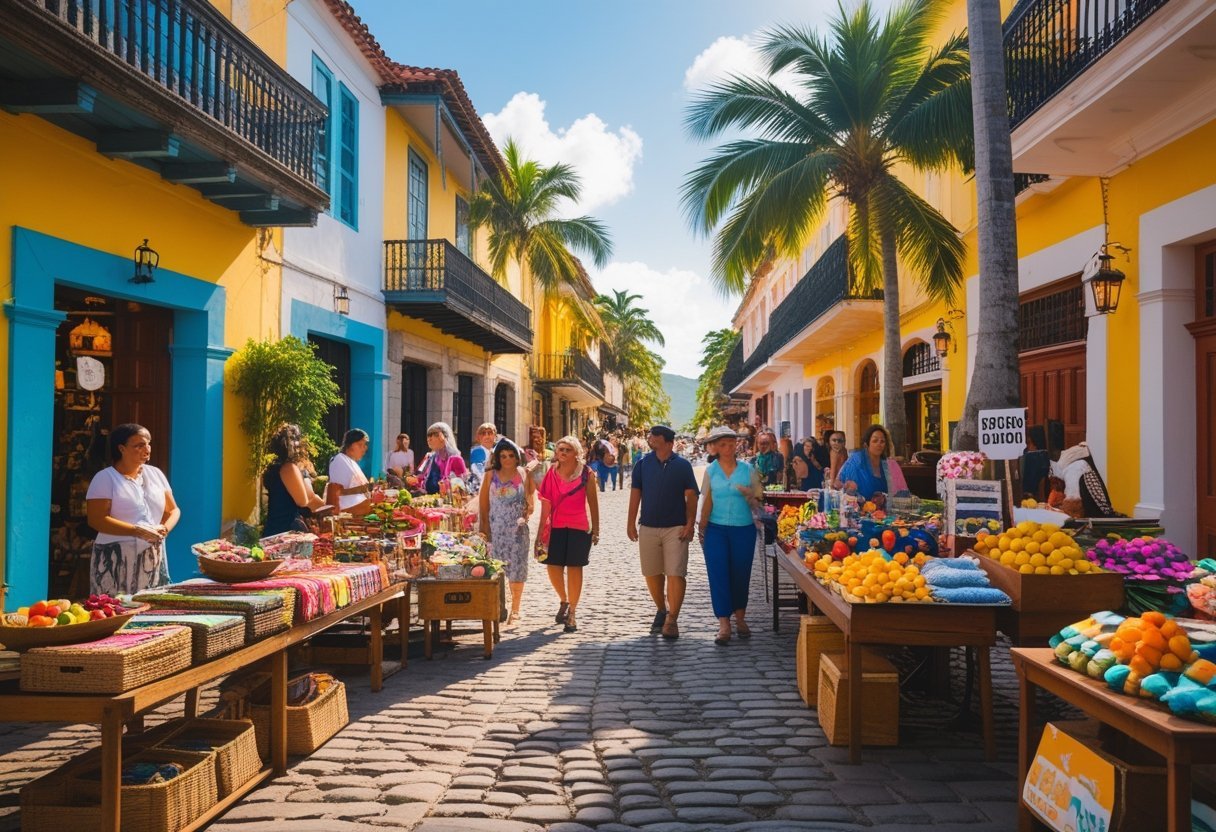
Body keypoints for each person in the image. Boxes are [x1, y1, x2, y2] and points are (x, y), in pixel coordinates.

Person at [85, 423, 180, 595]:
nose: (147, 449)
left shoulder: (156, 474)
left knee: (150, 608)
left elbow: (173, 510)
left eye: (148, 443)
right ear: (121, 448)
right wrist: (137, 531)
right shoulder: (105, 478)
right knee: (115, 608)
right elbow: (96, 520)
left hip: (152, 555)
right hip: (115, 557)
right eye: (139, 445)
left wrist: (164, 528)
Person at [626, 424, 699, 640]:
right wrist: (631, 522)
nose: (650, 438)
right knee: (651, 572)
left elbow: (691, 496)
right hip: (648, 525)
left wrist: (689, 523)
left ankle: (672, 620)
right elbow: (635, 494)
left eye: (655, 435)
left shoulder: (683, 466)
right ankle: (661, 608)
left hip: (676, 527)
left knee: (676, 572)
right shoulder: (642, 464)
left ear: (668, 442)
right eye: (650, 435)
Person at [697, 425, 763, 645]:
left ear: (737, 445)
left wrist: (749, 495)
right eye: (722, 444)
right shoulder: (711, 471)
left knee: (740, 573)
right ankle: (724, 623)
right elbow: (706, 500)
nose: (727, 448)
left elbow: (760, 502)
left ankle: (741, 618)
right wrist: (701, 527)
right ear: (715, 448)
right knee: (718, 573)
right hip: (716, 529)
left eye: (731, 443)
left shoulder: (748, 470)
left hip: (743, 529)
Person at [536, 436, 599, 634]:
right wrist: (540, 533)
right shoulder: (551, 474)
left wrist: (596, 528)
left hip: (579, 526)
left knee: (574, 568)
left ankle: (572, 611)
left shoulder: (587, 474)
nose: (562, 453)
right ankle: (563, 598)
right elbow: (546, 504)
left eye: (567, 450)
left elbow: (593, 502)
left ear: (576, 453)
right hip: (556, 526)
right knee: (553, 566)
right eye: (560, 449)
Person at [479, 437, 533, 625]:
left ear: (517, 457)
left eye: (511, 455)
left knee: (517, 568)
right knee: (496, 569)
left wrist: (526, 513)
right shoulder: (490, 474)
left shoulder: (524, 474)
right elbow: (484, 503)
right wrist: (484, 528)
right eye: (503, 456)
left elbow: (530, 501)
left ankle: (516, 608)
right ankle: (499, 606)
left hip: (517, 530)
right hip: (496, 529)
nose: (507, 459)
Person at [262, 423, 331, 536]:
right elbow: (304, 500)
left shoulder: (277, 467)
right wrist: (328, 510)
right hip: (284, 531)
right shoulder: (289, 468)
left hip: (276, 529)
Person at [836, 424, 909, 501]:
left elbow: (902, 495)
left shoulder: (891, 466)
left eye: (882, 441)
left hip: (884, 511)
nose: (879, 444)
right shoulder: (856, 461)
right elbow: (840, 485)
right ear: (866, 444)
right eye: (875, 441)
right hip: (858, 509)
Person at [326, 429, 375, 515]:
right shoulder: (339, 460)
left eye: (364, 446)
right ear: (350, 445)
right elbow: (337, 492)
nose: (364, 449)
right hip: (348, 514)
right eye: (360, 445)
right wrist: (366, 489)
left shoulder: (350, 461)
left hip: (360, 512)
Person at [416, 422, 469, 495]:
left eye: (434, 435)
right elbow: (420, 478)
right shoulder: (429, 457)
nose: (429, 439)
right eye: (428, 435)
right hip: (428, 500)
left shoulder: (455, 459)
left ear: (444, 437)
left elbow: (461, 486)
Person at [468, 423, 498, 488]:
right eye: (483, 434)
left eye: (490, 433)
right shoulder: (477, 451)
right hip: (481, 487)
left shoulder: (496, 451)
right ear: (478, 438)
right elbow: (479, 473)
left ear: (495, 436)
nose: (487, 436)